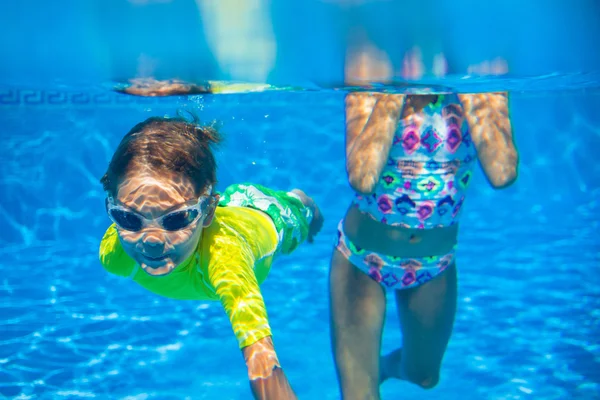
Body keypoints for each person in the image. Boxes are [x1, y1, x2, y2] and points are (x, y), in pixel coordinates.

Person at [98, 114, 323, 400]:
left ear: (208, 212)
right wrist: (170, 217)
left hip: (268, 215)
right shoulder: (114, 252)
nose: (151, 240)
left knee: (306, 219)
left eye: (175, 219)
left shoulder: (225, 255)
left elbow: (263, 363)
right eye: (129, 219)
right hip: (220, 207)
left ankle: (300, 199)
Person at [329, 91, 518, 399]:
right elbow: (363, 178)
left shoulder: (481, 88)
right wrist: (394, 95)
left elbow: (503, 173)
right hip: (360, 259)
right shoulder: (371, 84)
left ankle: (384, 368)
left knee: (424, 375)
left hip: (434, 262)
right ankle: (365, 375)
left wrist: (471, 94)